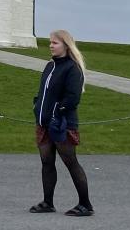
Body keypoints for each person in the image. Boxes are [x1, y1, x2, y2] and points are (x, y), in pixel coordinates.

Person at [28, 29, 93, 217]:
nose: (51, 45)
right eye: (50, 42)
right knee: (46, 161)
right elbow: (44, 92)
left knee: (71, 162)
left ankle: (85, 204)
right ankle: (48, 201)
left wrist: (58, 112)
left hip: (62, 123)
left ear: (65, 45)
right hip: (44, 122)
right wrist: (37, 105)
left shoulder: (73, 68)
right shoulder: (50, 66)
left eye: (55, 43)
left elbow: (73, 98)